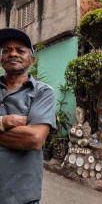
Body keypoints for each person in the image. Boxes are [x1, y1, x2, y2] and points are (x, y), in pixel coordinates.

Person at [0, 28, 56, 204]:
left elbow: (34, 139)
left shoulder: (43, 92)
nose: (12, 54)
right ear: (1, 59)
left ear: (31, 59)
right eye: (6, 50)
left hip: (20, 195)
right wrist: (4, 122)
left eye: (20, 50)